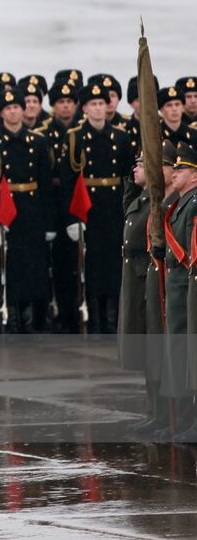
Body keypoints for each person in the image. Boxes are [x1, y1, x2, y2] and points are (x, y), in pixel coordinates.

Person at [0, 88, 57, 333]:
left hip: (31, 213)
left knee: (33, 271)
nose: (13, 112)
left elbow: (46, 186)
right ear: (1, 113)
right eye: (8, 109)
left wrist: (49, 223)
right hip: (3, 215)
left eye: (17, 107)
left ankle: (31, 320)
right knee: (8, 271)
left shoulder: (38, 142)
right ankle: (12, 319)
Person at [62, 82, 135, 334]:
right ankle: (95, 318)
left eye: (101, 104)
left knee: (114, 263)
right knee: (91, 265)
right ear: (84, 109)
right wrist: (72, 217)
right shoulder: (75, 138)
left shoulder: (121, 137)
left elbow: (129, 177)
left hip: (113, 206)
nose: (97, 108)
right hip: (88, 208)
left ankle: (113, 318)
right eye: (92, 104)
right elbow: (68, 181)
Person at [122, 142, 174, 439]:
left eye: (143, 163)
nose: (136, 167)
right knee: (146, 348)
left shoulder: (162, 202)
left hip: (152, 279)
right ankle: (154, 412)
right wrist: (137, 181)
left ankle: (165, 415)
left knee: (157, 348)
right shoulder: (144, 198)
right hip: (138, 281)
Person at [161, 144, 197, 438]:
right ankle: (185, 421)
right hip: (177, 289)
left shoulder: (194, 204)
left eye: (181, 170)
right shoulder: (179, 203)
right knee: (179, 352)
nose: (174, 173)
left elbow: (190, 254)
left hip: (187, 286)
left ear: (195, 175)